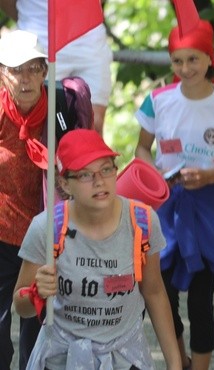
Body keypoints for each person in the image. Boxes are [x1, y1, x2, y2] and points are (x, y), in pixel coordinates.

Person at [11, 129, 182, 369]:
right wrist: (36, 293)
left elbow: (154, 292)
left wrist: (175, 363)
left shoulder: (141, 222)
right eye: (85, 175)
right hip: (62, 358)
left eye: (106, 169)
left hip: (124, 357)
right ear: (64, 184)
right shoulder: (47, 227)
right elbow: (20, 306)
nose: (99, 180)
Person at [135, 20, 214, 370]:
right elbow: (142, 147)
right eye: (178, 61)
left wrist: (210, 175)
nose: (185, 69)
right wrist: (152, 177)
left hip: (210, 211)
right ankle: (176, 360)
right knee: (162, 292)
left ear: (209, 59)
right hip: (166, 208)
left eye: (193, 59)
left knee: (201, 301)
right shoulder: (158, 101)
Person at [0, 29, 93, 370]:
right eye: (14, 70)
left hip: (44, 240)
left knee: (36, 341)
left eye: (32, 68)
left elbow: (86, 168)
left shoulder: (60, 110)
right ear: (1, 73)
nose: (24, 79)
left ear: (44, 71)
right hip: (1, 236)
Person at [0, 0, 113, 135]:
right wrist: (33, 18)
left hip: (90, 38)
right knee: (36, 127)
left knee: (93, 126)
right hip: (39, 39)